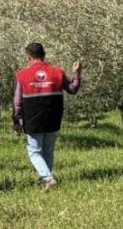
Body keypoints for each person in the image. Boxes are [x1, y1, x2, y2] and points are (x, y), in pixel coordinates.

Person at [12, 43, 81, 190]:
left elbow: (17, 101)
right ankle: (46, 180)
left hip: (32, 118)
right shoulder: (58, 72)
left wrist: (16, 120)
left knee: (34, 152)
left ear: (29, 57)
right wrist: (76, 73)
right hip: (54, 116)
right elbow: (73, 89)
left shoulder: (22, 75)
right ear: (44, 55)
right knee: (48, 150)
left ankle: (48, 178)